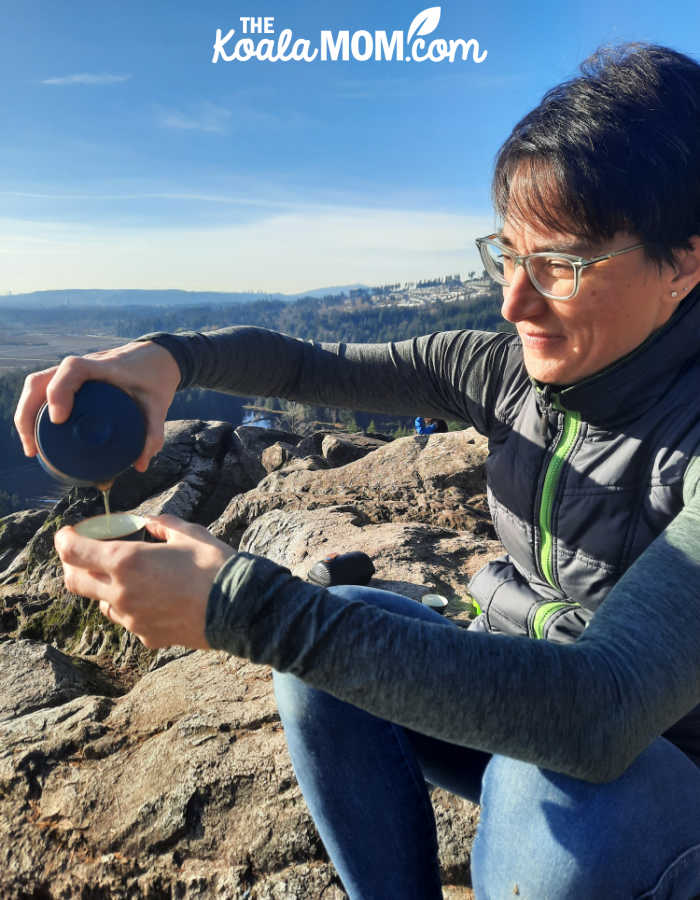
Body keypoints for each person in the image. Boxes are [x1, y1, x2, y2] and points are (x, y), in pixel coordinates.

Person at [13, 43, 700, 898]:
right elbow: (311, 366)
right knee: (329, 662)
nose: (514, 303)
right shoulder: (503, 373)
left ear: (684, 262)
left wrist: (246, 608)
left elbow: (604, 711)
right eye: (507, 256)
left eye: (559, 266)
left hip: (651, 769)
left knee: (547, 798)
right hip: (537, 692)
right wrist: (166, 359)